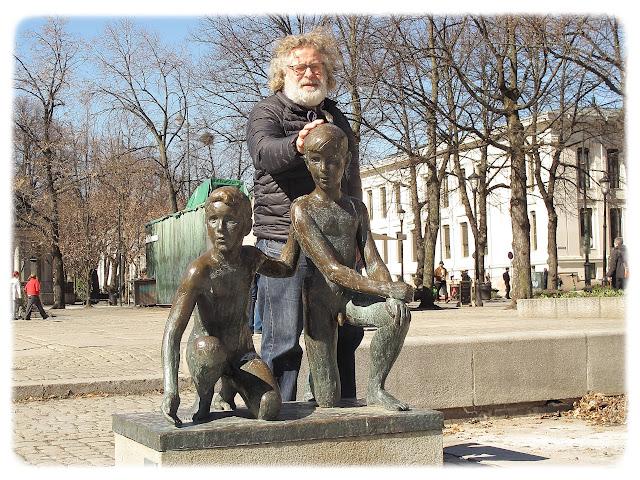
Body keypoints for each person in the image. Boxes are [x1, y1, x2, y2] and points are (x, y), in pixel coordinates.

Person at [246, 28, 363, 402]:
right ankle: (276, 412)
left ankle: (336, 406)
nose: (309, 74)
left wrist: (359, 239)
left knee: (341, 331)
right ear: (283, 74)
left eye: (316, 67)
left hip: (334, 242)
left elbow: (352, 175)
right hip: (283, 238)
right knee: (282, 337)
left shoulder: (336, 115)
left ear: (327, 75)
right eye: (299, 67)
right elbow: (264, 153)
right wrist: (298, 144)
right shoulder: (268, 111)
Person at [289, 123, 413, 410]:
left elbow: (372, 259)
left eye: (333, 161)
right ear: (306, 162)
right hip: (320, 302)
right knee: (328, 399)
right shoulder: (302, 208)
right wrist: (384, 287)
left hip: (349, 300)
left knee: (397, 313)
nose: (325, 169)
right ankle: (316, 386)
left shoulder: (356, 208)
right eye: (316, 160)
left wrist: (391, 293)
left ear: (345, 163)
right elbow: (332, 270)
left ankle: (376, 389)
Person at [161, 187, 300, 426]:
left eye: (231, 221)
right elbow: (172, 332)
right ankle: (203, 399)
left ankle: (228, 388)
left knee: (269, 406)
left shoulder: (251, 259)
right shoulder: (199, 271)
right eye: (213, 219)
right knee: (209, 348)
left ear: (246, 227)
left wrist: (297, 224)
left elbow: (286, 268)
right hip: (206, 353)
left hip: (242, 355)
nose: (220, 229)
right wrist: (170, 389)